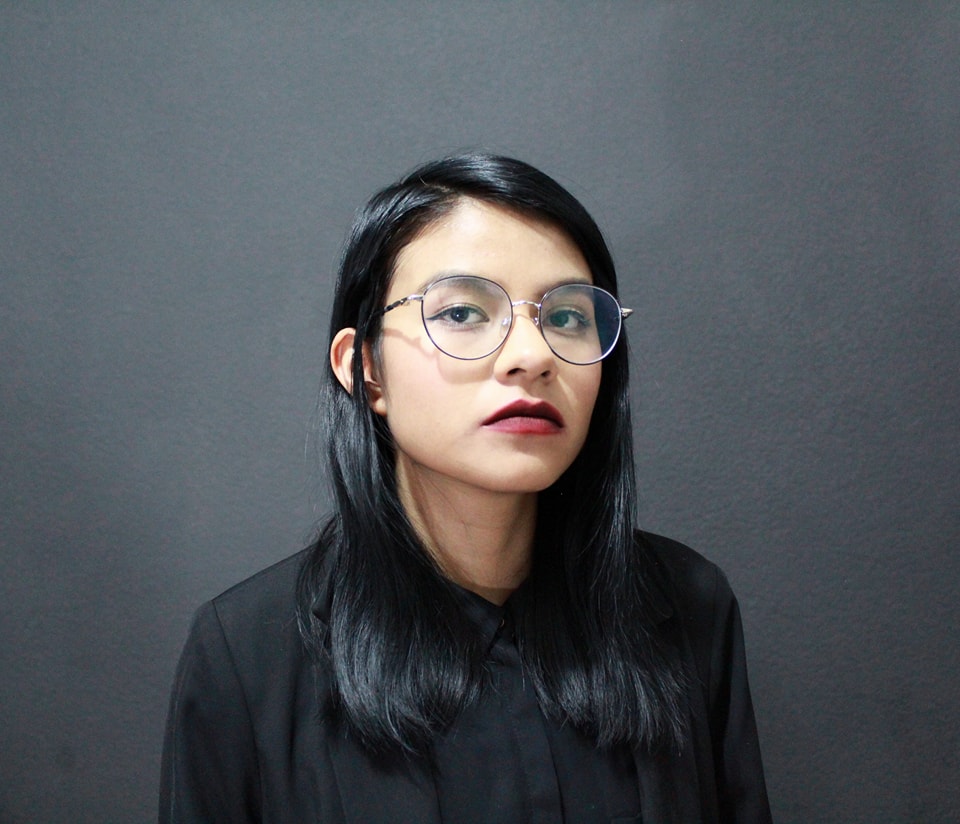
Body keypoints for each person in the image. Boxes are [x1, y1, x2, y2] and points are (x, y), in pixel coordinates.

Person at [159, 153, 771, 823]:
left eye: (568, 317)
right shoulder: (248, 657)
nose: (532, 355)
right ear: (365, 369)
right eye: (462, 312)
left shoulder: (687, 608)